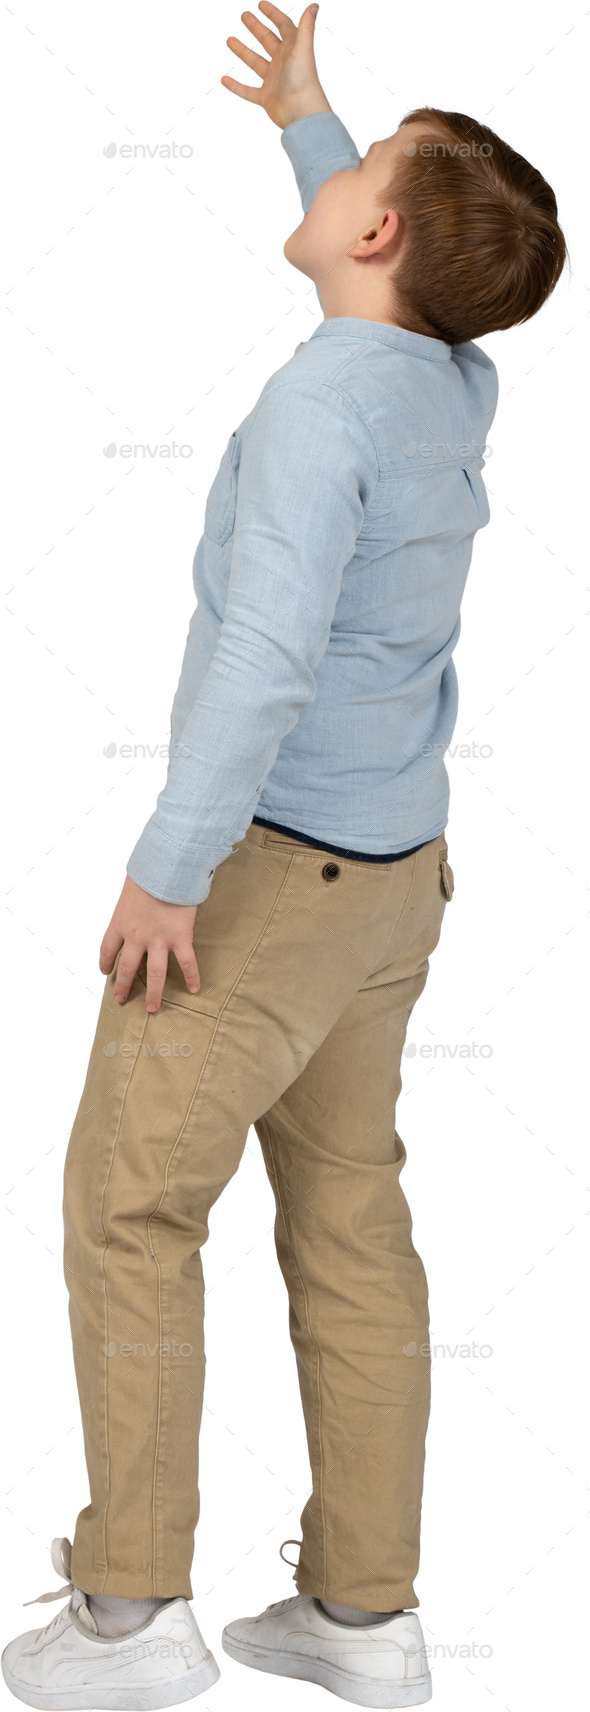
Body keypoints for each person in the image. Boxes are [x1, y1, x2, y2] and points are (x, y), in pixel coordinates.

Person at [2, 4, 567, 1708]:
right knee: (346, 1223)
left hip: (264, 877)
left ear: (379, 232)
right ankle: (364, 1616)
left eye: (364, 172)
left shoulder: (326, 402)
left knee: (128, 1207)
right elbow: (400, 269)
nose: (344, 176)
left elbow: (260, 660)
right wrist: (316, 124)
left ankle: (131, 1620)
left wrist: (168, 872)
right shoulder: (449, 374)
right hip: (394, 885)